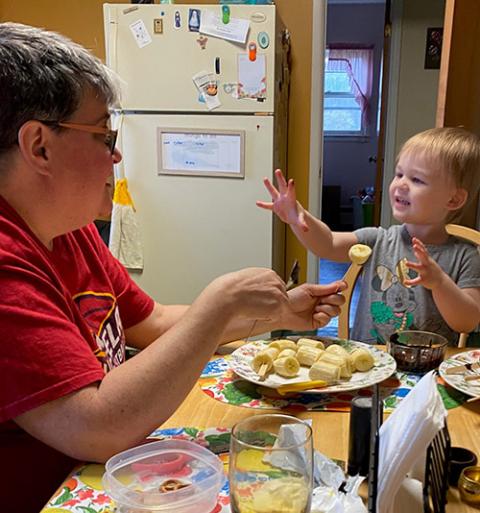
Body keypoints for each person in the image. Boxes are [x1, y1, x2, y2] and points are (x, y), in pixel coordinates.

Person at [0, 23, 346, 513]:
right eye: (103, 134)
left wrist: (279, 315)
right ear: (39, 146)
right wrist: (218, 302)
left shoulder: (70, 230)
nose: (116, 153)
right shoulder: (6, 265)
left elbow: (154, 323)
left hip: (114, 476)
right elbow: (97, 426)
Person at [258, 128, 480, 344]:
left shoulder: (466, 257)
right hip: (370, 363)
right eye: (399, 174)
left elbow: (466, 322)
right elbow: (328, 244)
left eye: (417, 180)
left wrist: (440, 282)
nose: (401, 184)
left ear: (453, 200)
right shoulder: (378, 240)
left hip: (426, 372)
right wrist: (298, 217)